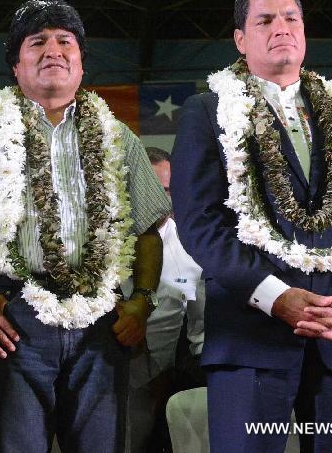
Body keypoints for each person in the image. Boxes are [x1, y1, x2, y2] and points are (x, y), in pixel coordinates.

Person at [0, 0, 170, 453]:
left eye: (65, 41)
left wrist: (142, 302)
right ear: (15, 68)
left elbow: (148, 230)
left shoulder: (118, 135)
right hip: (11, 320)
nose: (53, 49)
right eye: (37, 42)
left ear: (80, 65)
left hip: (102, 321)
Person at [170, 0, 332, 453]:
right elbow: (199, 225)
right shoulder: (206, 112)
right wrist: (274, 295)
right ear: (240, 39)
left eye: (291, 18)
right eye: (265, 20)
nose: (281, 28)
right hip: (252, 339)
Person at [127, 147, 202, 453]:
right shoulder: (96, 243)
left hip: (166, 387)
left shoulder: (194, 243)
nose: (160, 200)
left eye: (168, 190)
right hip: (106, 380)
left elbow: (201, 331)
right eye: (151, 190)